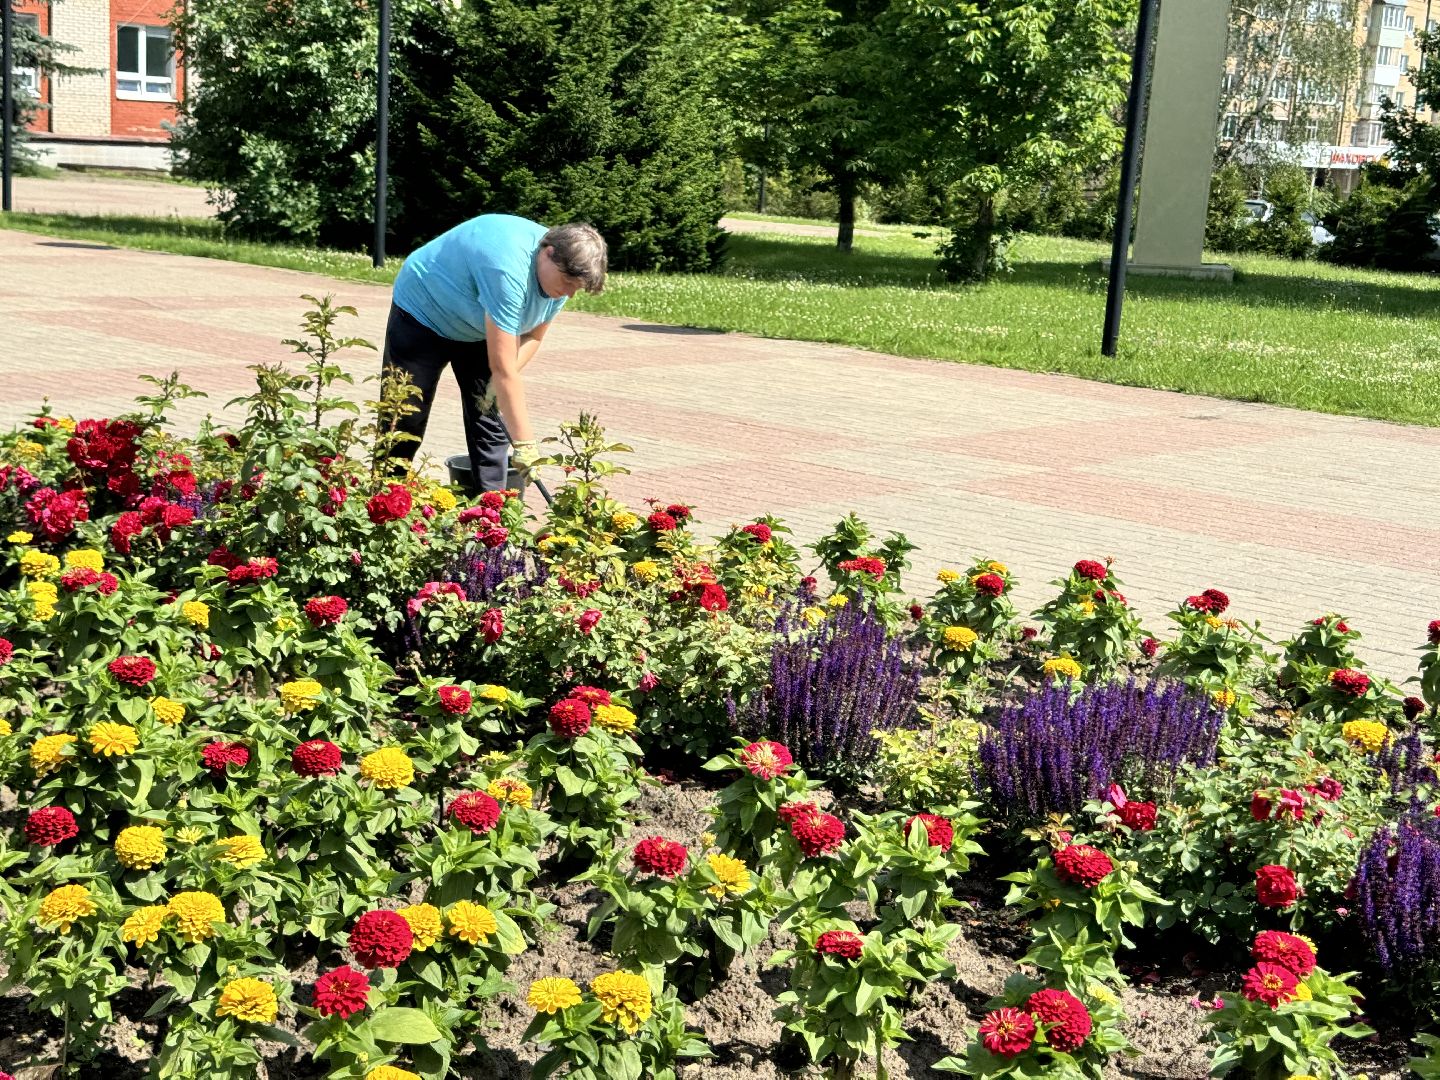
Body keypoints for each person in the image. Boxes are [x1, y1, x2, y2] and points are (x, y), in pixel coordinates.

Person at [382, 215, 608, 492]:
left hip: (480, 323)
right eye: (568, 282)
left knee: (490, 419)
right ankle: (385, 500)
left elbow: (533, 336)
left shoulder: (558, 284)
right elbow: (504, 372)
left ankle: (492, 516)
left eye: (578, 288)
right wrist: (525, 442)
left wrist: (496, 385)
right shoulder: (507, 269)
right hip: (423, 313)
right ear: (548, 254)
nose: (570, 294)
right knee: (405, 415)